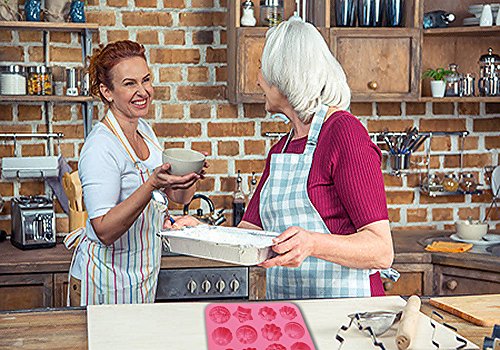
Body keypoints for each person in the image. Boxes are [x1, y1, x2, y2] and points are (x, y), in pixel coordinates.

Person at [175, 18, 394, 299]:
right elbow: (248, 234)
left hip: (345, 313)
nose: (258, 80)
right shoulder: (282, 149)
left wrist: (313, 244)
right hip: (291, 313)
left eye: (262, 69)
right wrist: (201, 231)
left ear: (285, 75)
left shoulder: (343, 133)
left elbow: (381, 250)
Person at [65, 40, 205, 306]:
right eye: (130, 84)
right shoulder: (100, 147)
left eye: (146, 80)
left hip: (142, 275)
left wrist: (189, 178)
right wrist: (151, 184)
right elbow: (103, 230)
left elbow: (177, 196)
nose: (143, 91)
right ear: (107, 91)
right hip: (106, 279)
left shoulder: (146, 133)